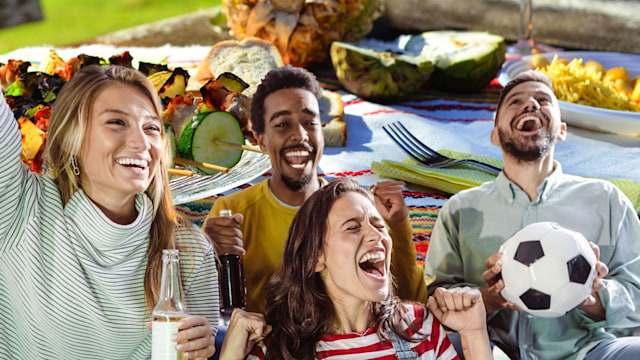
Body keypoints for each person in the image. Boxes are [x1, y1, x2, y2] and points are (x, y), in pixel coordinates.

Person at [0, 64, 219, 359]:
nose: (142, 143)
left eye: (152, 127)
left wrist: (199, 352)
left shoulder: (190, 250)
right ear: (69, 138)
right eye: (116, 122)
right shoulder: (19, 208)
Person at [424, 69, 640, 360]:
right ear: (494, 136)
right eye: (515, 101)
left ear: (562, 129)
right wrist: (489, 298)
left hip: (591, 352)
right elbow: (435, 302)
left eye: (543, 99)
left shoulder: (606, 199)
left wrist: (590, 296)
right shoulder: (461, 209)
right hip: (491, 351)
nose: (530, 105)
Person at [203, 65, 427, 314]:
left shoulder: (361, 210)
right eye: (282, 125)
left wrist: (397, 224)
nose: (300, 135)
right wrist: (208, 255)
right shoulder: (231, 213)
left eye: (309, 122)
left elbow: (410, 302)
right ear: (261, 140)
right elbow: (205, 308)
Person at [219, 178, 493, 360]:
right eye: (352, 227)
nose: (377, 236)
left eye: (378, 225)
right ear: (316, 258)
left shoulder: (416, 325)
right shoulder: (276, 349)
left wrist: (475, 334)